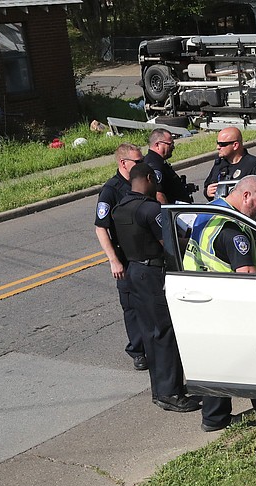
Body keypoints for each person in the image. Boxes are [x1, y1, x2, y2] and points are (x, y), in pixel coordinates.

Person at [184, 175, 256, 432]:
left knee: (217, 358)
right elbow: (246, 276)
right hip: (231, 302)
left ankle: (214, 418)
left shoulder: (211, 211)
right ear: (246, 196)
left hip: (202, 295)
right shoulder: (233, 230)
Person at [112, 163, 201, 413]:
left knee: (151, 334)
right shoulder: (152, 210)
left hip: (134, 272)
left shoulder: (121, 208)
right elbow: (170, 243)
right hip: (154, 273)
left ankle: (160, 390)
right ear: (149, 178)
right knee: (165, 333)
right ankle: (171, 393)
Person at [94, 143, 148, 372]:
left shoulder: (143, 182)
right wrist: (113, 260)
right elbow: (100, 228)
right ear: (123, 163)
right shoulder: (111, 190)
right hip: (125, 257)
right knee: (132, 307)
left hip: (145, 254)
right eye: (138, 161)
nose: (142, 164)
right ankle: (138, 351)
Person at [202, 127, 256, 201]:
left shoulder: (254, 165)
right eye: (217, 143)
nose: (218, 147)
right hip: (223, 211)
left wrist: (249, 197)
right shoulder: (219, 164)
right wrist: (207, 192)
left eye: (222, 144)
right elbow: (208, 185)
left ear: (235, 145)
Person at [143, 128, 194, 204]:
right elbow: (158, 194)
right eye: (170, 144)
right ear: (157, 145)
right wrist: (167, 214)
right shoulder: (154, 164)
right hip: (175, 212)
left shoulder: (158, 161)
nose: (173, 147)